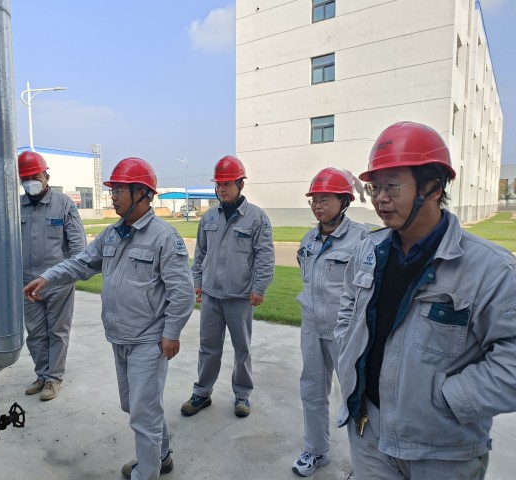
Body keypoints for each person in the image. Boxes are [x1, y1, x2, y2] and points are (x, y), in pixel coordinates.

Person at [334, 121, 516, 479]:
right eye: (375, 187)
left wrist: (451, 399)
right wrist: (346, 356)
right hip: (368, 430)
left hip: (442, 450)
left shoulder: (490, 269)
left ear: (433, 187)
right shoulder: (368, 250)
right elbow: (347, 311)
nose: (380, 198)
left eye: (392, 186)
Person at [23, 157, 194, 480]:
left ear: (141, 193)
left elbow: (182, 293)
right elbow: (80, 263)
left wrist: (171, 333)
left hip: (148, 340)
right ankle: (162, 456)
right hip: (120, 337)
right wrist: (47, 278)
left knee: (142, 413)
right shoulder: (112, 234)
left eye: (118, 191)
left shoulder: (164, 238)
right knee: (135, 405)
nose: (112, 197)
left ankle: (147, 472)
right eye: (112, 190)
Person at [181, 155, 275, 418]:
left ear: (240, 184)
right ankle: (202, 392)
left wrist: (259, 288)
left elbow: (265, 256)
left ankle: (242, 395)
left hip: (240, 297)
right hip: (211, 296)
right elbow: (200, 254)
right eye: (219, 184)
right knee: (208, 347)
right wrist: (197, 282)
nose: (221, 189)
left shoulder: (256, 217)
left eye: (227, 183)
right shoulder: (209, 217)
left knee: (242, 349)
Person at [292, 167, 368, 477]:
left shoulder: (362, 239)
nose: (317, 206)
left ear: (344, 201)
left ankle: (365, 463)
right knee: (311, 392)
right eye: (314, 200)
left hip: (346, 333)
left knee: (356, 397)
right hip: (312, 328)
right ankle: (316, 450)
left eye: (324, 199)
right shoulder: (309, 239)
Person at [18, 151, 87, 401]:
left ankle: (53, 378)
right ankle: (41, 375)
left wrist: (69, 276)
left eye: (34, 176)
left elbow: (78, 247)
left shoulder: (64, 204)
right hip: (28, 284)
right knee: (35, 333)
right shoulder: (16, 206)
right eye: (25, 178)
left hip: (58, 283)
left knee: (57, 331)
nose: (30, 182)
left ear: (46, 176)